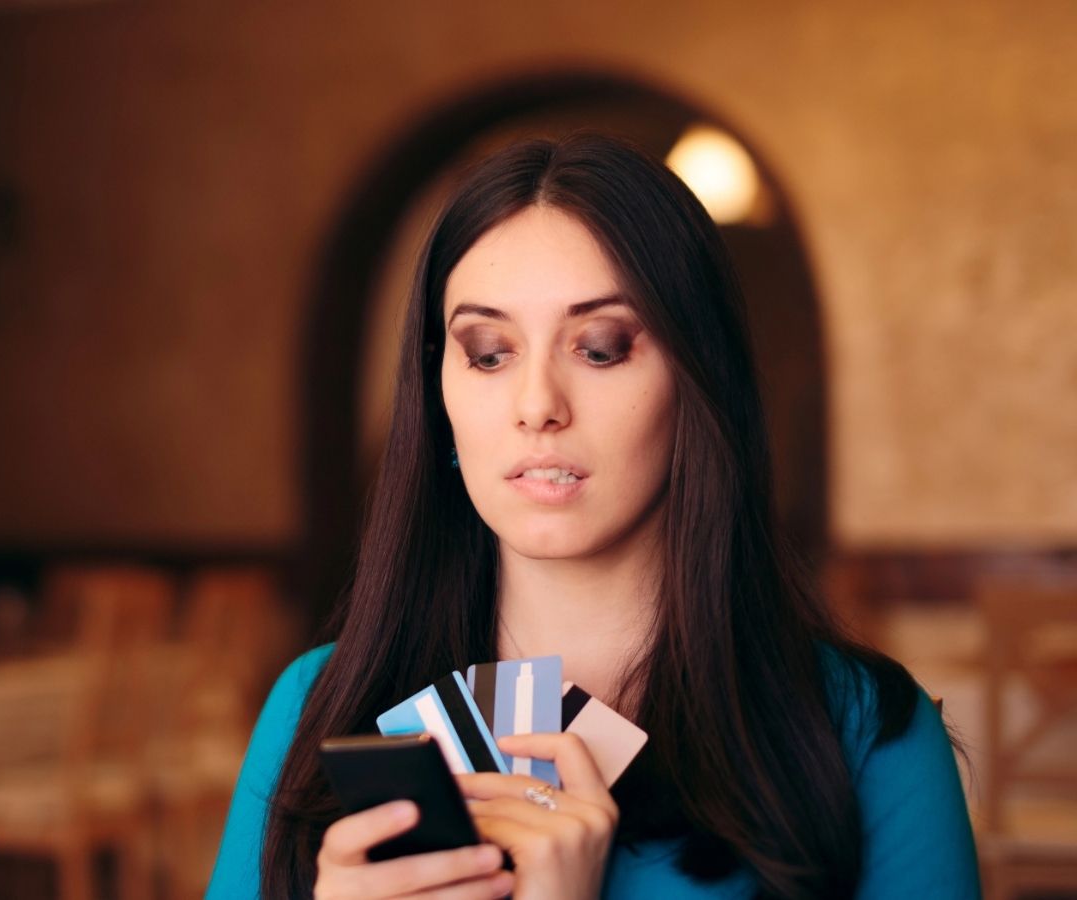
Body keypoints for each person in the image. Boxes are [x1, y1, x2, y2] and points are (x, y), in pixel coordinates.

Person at [206, 134, 980, 899]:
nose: (538, 405)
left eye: (601, 347)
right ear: (438, 402)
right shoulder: (317, 707)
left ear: (697, 383)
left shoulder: (868, 736)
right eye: (487, 353)